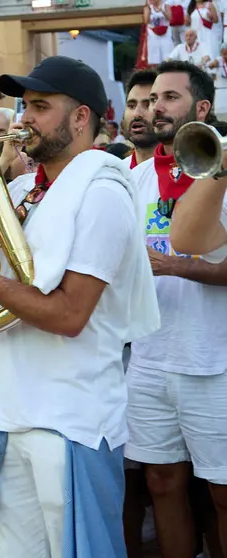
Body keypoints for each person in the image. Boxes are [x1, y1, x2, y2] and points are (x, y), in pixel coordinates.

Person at [0, 56, 159, 556]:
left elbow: (69, 315)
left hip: (70, 418)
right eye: (23, 105)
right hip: (11, 413)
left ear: (81, 118)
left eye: (40, 106)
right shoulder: (25, 190)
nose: (23, 118)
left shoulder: (102, 191)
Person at [126, 59, 227, 556]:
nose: (154, 108)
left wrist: (177, 267)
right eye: (149, 99)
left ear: (202, 107)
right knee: (161, 483)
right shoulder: (136, 179)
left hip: (214, 361)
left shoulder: (223, 169)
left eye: (168, 97)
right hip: (149, 358)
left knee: (223, 493)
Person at [121, 69, 158, 169]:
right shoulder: (115, 173)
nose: (137, 114)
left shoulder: (183, 173)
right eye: (131, 106)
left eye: (147, 105)